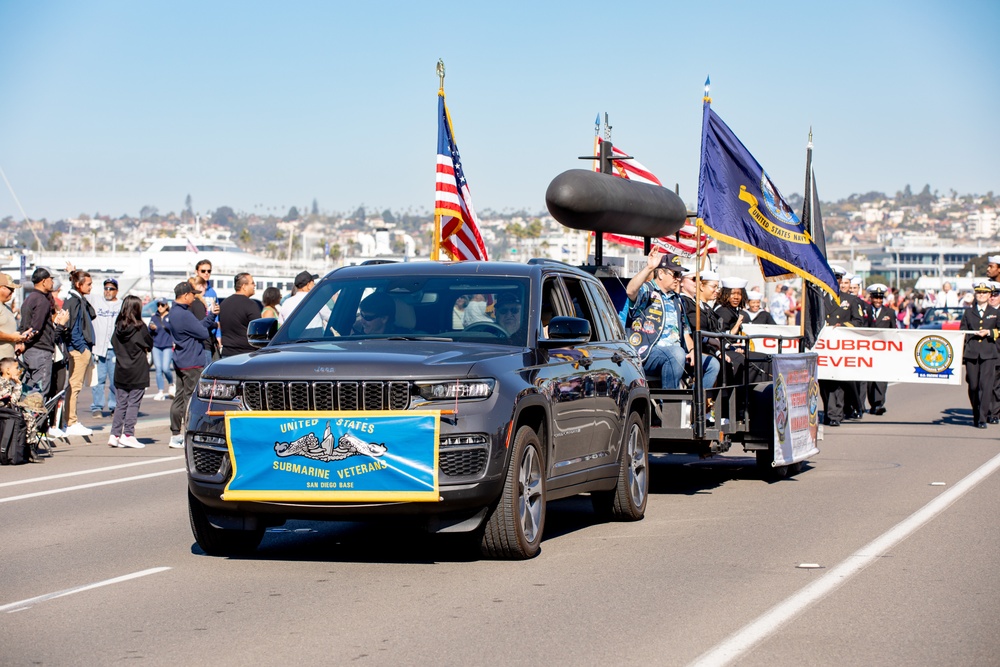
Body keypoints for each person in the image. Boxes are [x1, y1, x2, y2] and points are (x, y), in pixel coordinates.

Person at [624, 250, 715, 391]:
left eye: (680, 275)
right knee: (677, 353)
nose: (678, 278)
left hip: (677, 355)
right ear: (661, 274)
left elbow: (685, 331)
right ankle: (671, 407)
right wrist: (649, 267)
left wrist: (692, 350)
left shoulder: (677, 299)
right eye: (675, 274)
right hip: (647, 353)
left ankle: (695, 408)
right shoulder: (646, 291)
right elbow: (630, 291)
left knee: (711, 364)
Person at [165, 282, 219, 448]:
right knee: (191, 398)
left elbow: (196, 328)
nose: (194, 297)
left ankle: (175, 434)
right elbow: (202, 332)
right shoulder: (184, 314)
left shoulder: (174, 312)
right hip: (192, 362)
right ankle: (189, 432)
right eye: (192, 294)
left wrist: (209, 317)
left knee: (179, 398)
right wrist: (211, 317)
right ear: (185, 295)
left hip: (181, 359)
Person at [819, 266, 868, 426]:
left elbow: (859, 321)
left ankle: (835, 415)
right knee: (824, 384)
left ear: (840, 281)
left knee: (837, 383)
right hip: (824, 347)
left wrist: (843, 326)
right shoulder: (819, 299)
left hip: (841, 348)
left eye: (838, 278)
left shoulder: (850, 300)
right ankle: (829, 411)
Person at [107, 295, 152, 448]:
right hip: (137, 369)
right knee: (133, 403)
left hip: (121, 369)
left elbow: (113, 342)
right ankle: (128, 434)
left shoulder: (118, 326)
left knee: (121, 403)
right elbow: (149, 343)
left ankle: (114, 434)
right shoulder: (140, 327)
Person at [61, 270, 97, 437]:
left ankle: (70, 420)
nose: (91, 287)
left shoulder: (77, 299)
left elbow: (90, 313)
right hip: (77, 350)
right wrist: (82, 349)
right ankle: (71, 421)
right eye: (88, 284)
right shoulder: (74, 301)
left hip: (78, 349)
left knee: (74, 386)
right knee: (74, 386)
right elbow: (74, 328)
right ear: (78, 284)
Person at [19, 267, 65, 399]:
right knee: (39, 392)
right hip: (40, 349)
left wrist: (23, 343)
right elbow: (36, 327)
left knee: (28, 388)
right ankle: (33, 419)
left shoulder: (29, 298)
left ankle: (26, 417)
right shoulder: (42, 300)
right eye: (51, 280)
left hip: (29, 350)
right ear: (44, 281)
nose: (52, 283)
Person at [961, 281, 999, 428]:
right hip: (972, 353)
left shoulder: (995, 312)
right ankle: (976, 413)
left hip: (989, 353)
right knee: (973, 386)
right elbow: (962, 332)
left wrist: (989, 332)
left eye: (984, 292)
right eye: (979, 292)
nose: (981, 295)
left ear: (989, 294)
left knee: (986, 385)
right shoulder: (968, 312)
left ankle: (982, 418)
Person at [88, 277, 123, 418]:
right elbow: (80, 293)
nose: (108, 291)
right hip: (99, 348)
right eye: (106, 288)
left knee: (115, 380)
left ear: (116, 291)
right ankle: (97, 406)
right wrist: (73, 273)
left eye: (111, 289)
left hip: (115, 349)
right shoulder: (97, 301)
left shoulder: (121, 304)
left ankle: (114, 406)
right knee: (98, 379)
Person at [866, 283, 897, 416]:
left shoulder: (889, 312)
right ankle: (871, 403)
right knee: (869, 380)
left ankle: (879, 404)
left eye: (880, 298)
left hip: (883, 350)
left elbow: (893, 330)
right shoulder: (865, 311)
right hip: (867, 350)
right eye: (875, 298)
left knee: (881, 378)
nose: (878, 301)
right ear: (871, 298)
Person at [219, 273, 262, 358]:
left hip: (226, 353)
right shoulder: (250, 305)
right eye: (252, 283)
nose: (254, 285)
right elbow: (259, 330)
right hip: (246, 354)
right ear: (244, 286)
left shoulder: (224, 303)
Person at [0, 273, 32, 361]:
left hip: (7, 362)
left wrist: (20, 338)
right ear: (1, 287)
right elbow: (10, 336)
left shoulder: (6, 308)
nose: (13, 291)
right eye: (10, 288)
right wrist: (12, 337)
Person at [149, 300, 175, 401]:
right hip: (156, 345)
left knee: (165, 368)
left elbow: (173, 329)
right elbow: (149, 330)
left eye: (162, 305)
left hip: (167, 345)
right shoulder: (154, 317)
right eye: (158, 305)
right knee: (158, 369)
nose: (160, 307)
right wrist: (152, 328)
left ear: (166, 306)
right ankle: (160, 391)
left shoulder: (170, 317)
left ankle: (171, 383)